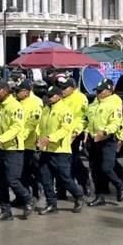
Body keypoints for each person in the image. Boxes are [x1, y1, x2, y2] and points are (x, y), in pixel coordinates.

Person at [0, 80, 34, 221]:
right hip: (1, 149)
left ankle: (27, 199)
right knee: (1, 181)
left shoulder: (15, 107)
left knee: (12, 179)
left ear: (6, 90)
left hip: (13, 149)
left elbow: (16, 127)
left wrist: (0, 139)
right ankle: (5, 211)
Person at [35, 86, 85, 214]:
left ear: (58, 96)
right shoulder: (46, 109)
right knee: (45, 178)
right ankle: (51, 204)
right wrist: (38, 138)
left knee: (64, 178)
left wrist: (50, 138)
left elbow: (65, 129)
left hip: (60, 151)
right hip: (46, 150)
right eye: (47, 95)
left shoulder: (65, 110)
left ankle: (78, 195)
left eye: (51, 95)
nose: (48, 97)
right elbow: (40, 127)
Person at [84, 79, 123, 206]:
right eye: (97, 91)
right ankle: (99, 196)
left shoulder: (114, 103)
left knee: (106, 168)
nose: (98, 93)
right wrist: (86, 132)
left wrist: (105, 132)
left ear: (109, 91)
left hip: (107, 140)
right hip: (93, 140)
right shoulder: (94, 104)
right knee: (95, 170)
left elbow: (115, 122)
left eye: (101, 91)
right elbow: (89, 121)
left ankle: (119, 185)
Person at [15, 80, 43, 202]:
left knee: (26, 171)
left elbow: (33, 123)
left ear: (26, 92)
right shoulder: (18, 102)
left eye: (18, 91)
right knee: (20, 172)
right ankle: (22, 197)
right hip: (17, 142)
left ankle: (35, 191)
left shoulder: (36, 102)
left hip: (29, 142)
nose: (16, 93)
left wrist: (23, 137)